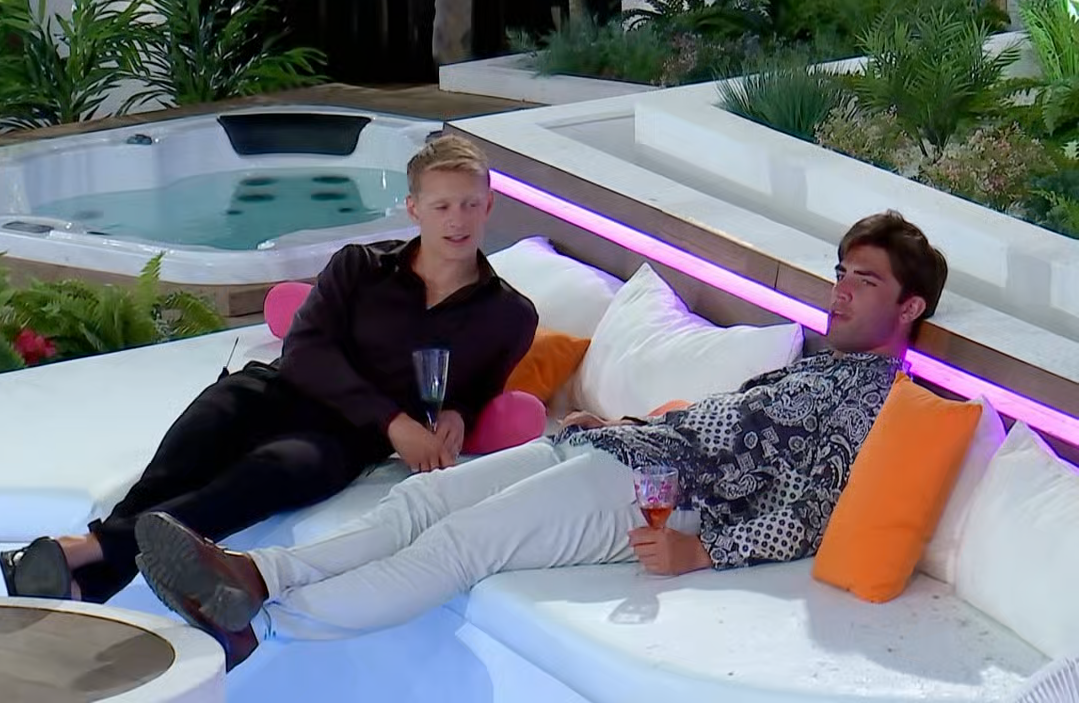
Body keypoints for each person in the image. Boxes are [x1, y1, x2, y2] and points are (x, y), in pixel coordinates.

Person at [132, 211, 949, 670]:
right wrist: (622, 425)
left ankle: (263, 628)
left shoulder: (877, 400)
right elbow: (724, 427)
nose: (841, 292)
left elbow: (814, 512)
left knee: (460, 544)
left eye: (865, 281)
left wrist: (702, 551)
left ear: (910, 308)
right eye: (841, 273)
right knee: (421, 499)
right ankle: (256, 574)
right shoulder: (814, 365)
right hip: (624, 450)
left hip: (660, 495)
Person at [0, 135, 538, 603]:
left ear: (489, 205)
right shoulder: (360, 266)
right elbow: (305, 352)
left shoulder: (511, 316)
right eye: (442, 206)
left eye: (470, 204)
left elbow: (481, 388)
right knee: (180, 462)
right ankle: (86, 582)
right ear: (414, 209)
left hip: (343, 439)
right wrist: (395, 420)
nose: (457, 220)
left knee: (260, 478)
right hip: (273, 391)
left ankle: (80, 556)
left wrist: (458, 414)